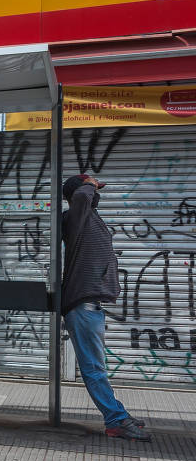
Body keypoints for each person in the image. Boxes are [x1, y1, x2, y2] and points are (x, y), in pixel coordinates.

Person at [62, 174, 150, 441]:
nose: (97, 193)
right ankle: (115, 421)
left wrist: (88, 186)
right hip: (83, 305)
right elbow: (79, 196)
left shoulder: (88, 217)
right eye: (93, 190)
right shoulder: (75, 217)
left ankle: (118, 414)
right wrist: (89, 182)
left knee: (97, 367)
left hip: (92, 306)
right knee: (94, 369)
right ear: (82, 193)